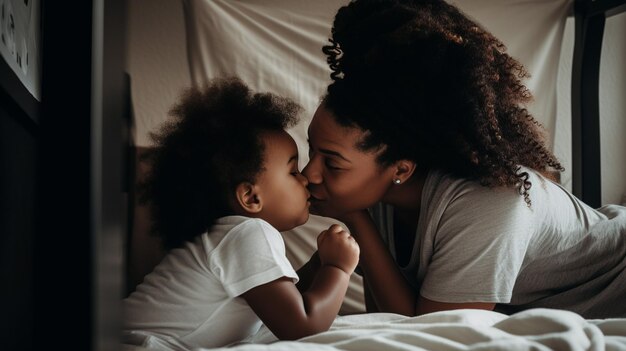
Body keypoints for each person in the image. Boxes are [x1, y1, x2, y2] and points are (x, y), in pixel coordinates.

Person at [302, 0, 626, 319]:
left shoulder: (489, 202)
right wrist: (358, 219)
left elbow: (433, 336)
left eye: (331, 163)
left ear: (401, 168)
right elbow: (391, 322)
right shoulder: (381, 193)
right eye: (311, 150)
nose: (308, 173)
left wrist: (357, 221)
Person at [123, 78, 360, 350]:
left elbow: (283, 300)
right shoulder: (247, 233)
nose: (305, 179)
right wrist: (338, 268)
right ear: (251, 197)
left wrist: (320, 265)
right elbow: (301, 325)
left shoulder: (229, 236)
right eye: (293, 172)